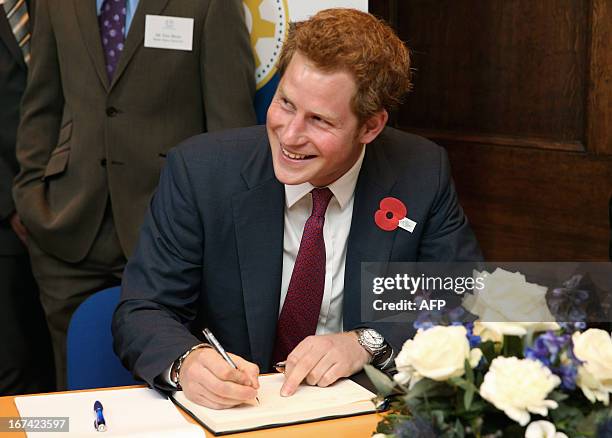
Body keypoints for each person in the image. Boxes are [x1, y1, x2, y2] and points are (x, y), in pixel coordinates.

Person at [113, 8, 482, 409]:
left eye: (319, 120)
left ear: (370, 127)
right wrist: (187, 362)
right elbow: (144, 309)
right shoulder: (201, 172)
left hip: (355, 412)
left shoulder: (420, 172)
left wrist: (366, 342)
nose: (289, 136)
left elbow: (460, 299)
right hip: (237, 415)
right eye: (285, 104)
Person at [13, 0, 256, 390]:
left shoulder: (211, 4)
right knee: (75, 393)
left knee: (174, 386)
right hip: (66, 227)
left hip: (170, 235)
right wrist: (31, 193)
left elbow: (230, 131)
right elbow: (42, 102)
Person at [0, 0, 56, 394]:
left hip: (65, 213)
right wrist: (14, 203)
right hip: (5, 223)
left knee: (58, 368)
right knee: (13, 369)